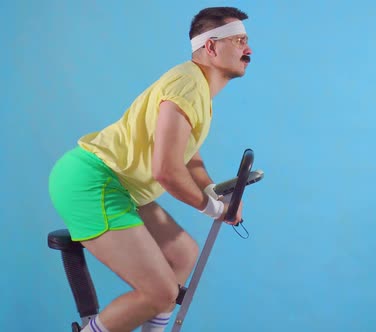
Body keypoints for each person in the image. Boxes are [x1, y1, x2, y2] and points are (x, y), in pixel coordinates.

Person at [48, 6, 252, 332]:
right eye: (239, 40)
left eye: (247, 40)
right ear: (211, 47)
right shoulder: (188, 87)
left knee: (183, 255)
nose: (248, 49)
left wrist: (214, 191)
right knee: (161, 293)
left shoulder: (194, 86)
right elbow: (167, 171)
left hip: (118, 184)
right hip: (93, 180)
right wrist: (213, 208)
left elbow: (187, 154)